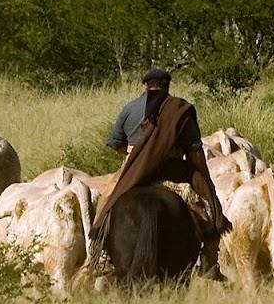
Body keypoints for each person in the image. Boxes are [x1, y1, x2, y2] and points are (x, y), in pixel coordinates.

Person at [93, 68, 229, 277]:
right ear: (167, 86)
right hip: (172, 174)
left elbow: (115, 143)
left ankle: (100, 256)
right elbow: (194, 149)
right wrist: (201, 175)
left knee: (107, 202)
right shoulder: (180, 109)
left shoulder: (130, 108)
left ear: (146, 86)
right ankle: (210, 262)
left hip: (133, 171)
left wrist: (135, 155)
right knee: (208, 209)